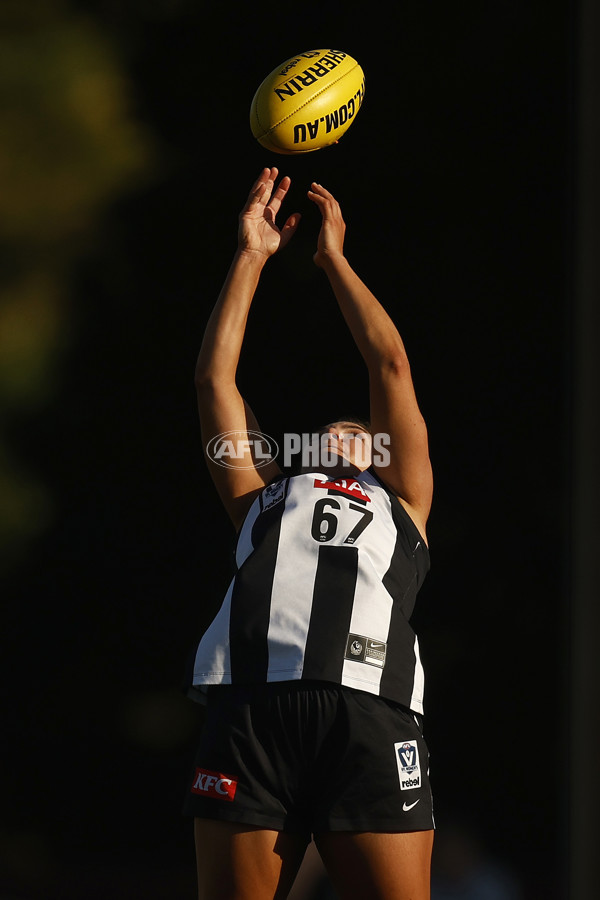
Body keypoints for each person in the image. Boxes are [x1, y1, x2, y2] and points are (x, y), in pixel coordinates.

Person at [183, 167, 435, 900]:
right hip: (253, 706)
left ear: (380, 450)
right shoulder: (261, 494)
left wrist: (333, 261)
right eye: (330, 431)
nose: (341, 433)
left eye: (358, 432)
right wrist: (251, 256)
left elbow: (388, 362)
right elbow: (213, 382)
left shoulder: (404, 500)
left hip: (369, 707)